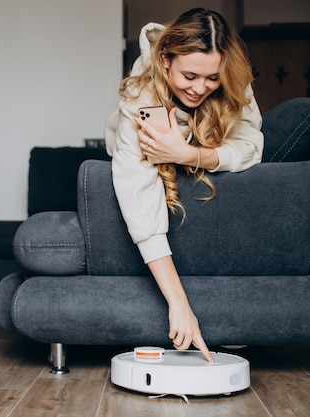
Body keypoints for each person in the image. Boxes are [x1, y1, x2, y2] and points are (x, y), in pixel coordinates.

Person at [105, 8, 265, 363]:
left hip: (189, 147)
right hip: (129, 153)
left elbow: (251, 147)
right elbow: (142, 204)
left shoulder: (231, 79)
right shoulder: (141, 102)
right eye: (190, 75)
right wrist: (180, 306)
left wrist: (188, 155)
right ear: (165, 60)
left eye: (212, 78)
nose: (200, 88)